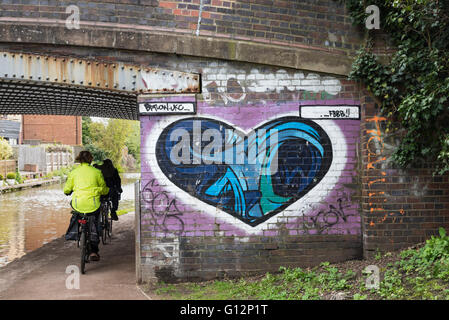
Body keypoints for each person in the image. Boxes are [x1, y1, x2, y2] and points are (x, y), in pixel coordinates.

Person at [64, 151, 109, 262]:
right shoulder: (96, 172)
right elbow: (103, 188)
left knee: (76, 213)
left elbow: (66, 189)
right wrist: (103, 191)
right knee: (95, 221)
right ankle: (94, 251)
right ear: (90, 159)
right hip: (93, 204)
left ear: (79, 160)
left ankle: (76, 232)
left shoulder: (73, 172)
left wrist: (68, 192)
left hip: (78, 204)